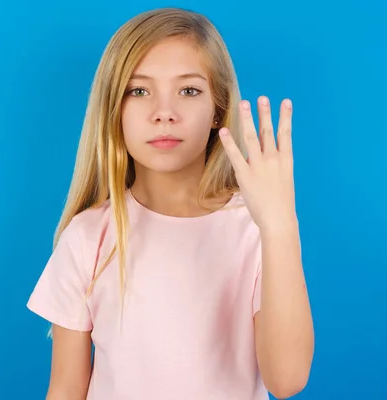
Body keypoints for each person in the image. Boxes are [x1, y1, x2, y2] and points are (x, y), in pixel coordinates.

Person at [26, 7, 314, 400]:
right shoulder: (88, 237)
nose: (164, 113)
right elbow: (65, 389)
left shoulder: (256, 230)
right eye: (139, 90)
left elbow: (287, 380)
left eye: (189, 90)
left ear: (218, 107)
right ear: (115, 108)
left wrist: (280, 227)